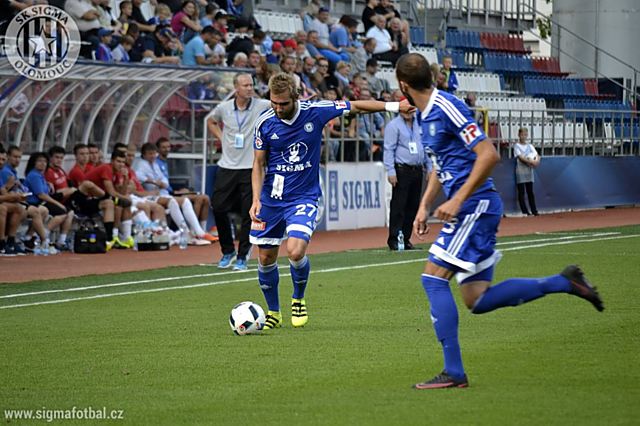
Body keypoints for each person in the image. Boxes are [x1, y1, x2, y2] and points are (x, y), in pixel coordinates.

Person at [395, 53, 604, 390]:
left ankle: (454, 372)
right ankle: (565, 282)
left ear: (402, 84)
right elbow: (439, 165)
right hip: (472, 207)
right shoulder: (424, 114)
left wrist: (458, 198)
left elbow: (489, 154)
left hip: (474, 206)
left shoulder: (445, 107)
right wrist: (423, 206)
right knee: (476, 299)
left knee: (433, 278)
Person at [249, 72, 414, 329]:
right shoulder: (265, 123)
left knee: (295, 250)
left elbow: (356, 106)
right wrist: (255, 199)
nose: (278, 108)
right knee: (266, 258)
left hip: (304, 196)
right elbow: (258, 164)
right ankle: (273, 313)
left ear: (295, 97)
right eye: (274, 102)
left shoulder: (315, 111)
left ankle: (298, 298)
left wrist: (395, 106)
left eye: (283, 103)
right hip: (271, 199)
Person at [207, 73, 271, 270]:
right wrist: (222, 137)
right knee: (218, 206)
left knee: (248, 214)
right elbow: (211, 120)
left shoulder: (260, 105)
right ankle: (228, 251)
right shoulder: (225, 108)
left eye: (251, 85)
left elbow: (279, 104)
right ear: (236, 88)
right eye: (245, 85)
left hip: (250, 168)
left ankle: (242, 256)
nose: (250, 88)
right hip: (227, 166)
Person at [383, 107, 424, 251]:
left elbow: (424, 146)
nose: (407, 113)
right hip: (402, 169)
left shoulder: (419, 124)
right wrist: (390, 170)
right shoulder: (393, 126)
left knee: (413, 206)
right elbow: (389, 149)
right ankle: (394, 238)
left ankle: (405, 239)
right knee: (399, 205)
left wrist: (430, 166)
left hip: (417, 168)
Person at [514, 127, 540, 216]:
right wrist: (531, 162)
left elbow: (537, 155)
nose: (524, 136)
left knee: (530, 192)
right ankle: (525, 211)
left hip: (529, 171)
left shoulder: (530, 146)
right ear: (519, 135)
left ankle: (534, 210)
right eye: (522, 135)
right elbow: (521, 158)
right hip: (521, 171)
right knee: (521, 192)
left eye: (525, 135)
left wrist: (536, 161)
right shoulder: (516, 146)